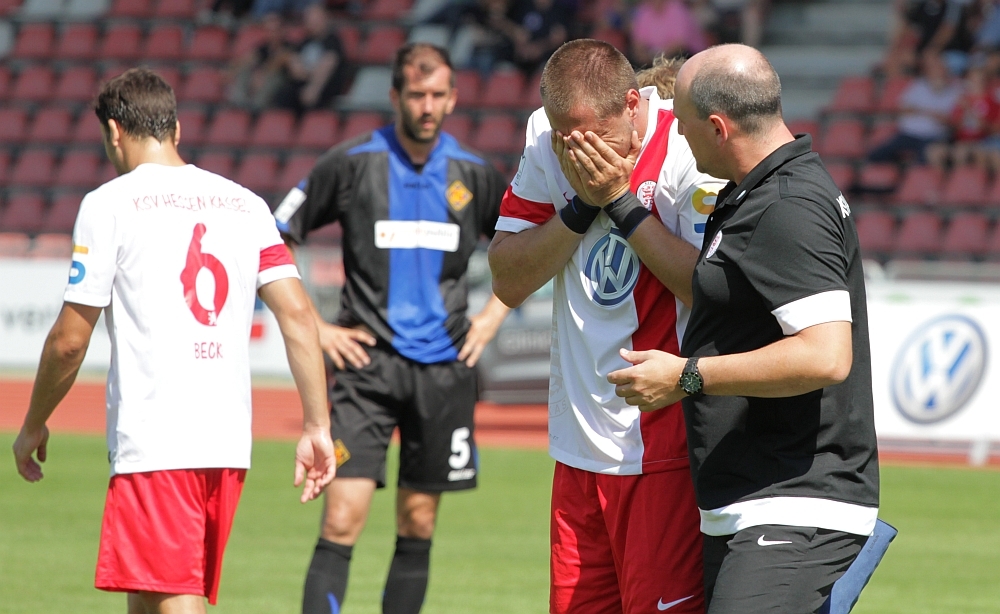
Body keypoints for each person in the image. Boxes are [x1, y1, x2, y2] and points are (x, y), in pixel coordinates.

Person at [11, 68, 336, 614]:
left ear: (114, 132)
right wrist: (316, 426)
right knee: (148, 593)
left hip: (158, 438)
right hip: (227, 441)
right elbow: (300, 316)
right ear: (177, 130)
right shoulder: (246, 204)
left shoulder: (109, 204)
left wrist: (33, 422)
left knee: (175, 596)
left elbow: (69, 340)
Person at [606, 44, 880, 612]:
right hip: (755, 500)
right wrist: (620, 204)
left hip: (795, 504)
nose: (679, 136)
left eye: (683, 124)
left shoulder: (787, 205)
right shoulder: (754, 192)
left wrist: (686, 376)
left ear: (718, 127)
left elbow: (827, 355)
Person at [488, 39, 726, 614]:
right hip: (576, 451)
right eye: (567, 139)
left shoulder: (685, 146)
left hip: (664, 447)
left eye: (595, 136)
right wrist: (577, 209)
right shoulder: (545, 137)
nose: (581, 151)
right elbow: (507, 279)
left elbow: (711, 292)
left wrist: (619, 201)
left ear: (631, 104)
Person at [272, 43, 510, 614]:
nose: (427, 106)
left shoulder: (475, 174)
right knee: (341, 516)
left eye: (437, 95)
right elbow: (276, 234)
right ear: (395, 95)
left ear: (453, 98)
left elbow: (526, 248)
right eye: (416, 94)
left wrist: (494, 314)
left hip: (444, 370)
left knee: (419, 520)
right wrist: (316, 327)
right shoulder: (352, 162)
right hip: (366, 367)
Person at [868, 52, 961, 165]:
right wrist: (926, 112)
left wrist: (923, 112)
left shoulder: (956, 90)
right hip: (909, 133)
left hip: (934, 136)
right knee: (875, 155)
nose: (938, 72)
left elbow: (955, 121)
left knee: (921, 163)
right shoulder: (918, 85)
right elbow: (902, 108)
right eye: (934, 69)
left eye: (941, 68)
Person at [273, 4, 350, 114]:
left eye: (315, 20)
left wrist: (313, 87)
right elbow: (294, 62)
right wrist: (301, 69)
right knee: (281, 97)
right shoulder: (306, 41)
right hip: (301, 85)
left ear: (325, 19)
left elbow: (328, 63)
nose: (312, 23)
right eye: (309, 20)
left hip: (323, 88)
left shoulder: (332, 40)